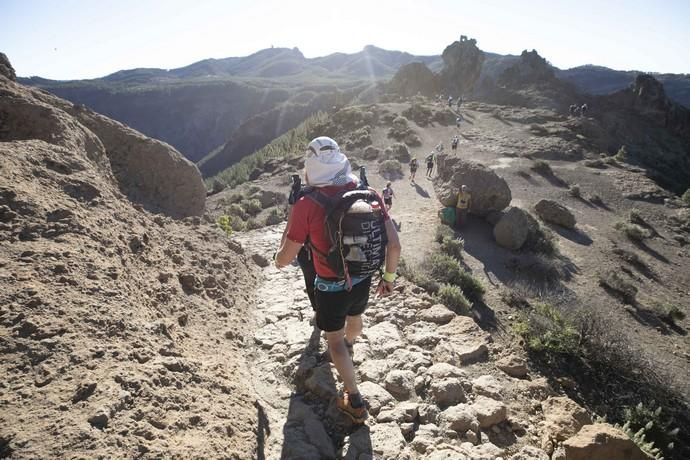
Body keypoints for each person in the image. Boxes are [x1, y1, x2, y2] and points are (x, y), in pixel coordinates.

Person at [275, 136, 401, 424]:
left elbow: (286, 257)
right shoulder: (368, 193)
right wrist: (389, 278)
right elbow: (394, 245)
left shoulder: (307, 203)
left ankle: (354, 400)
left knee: (333, 341)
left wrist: (277, 260)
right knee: (355, 318)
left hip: (330, 284)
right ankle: (350, 345)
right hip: (363, 277)